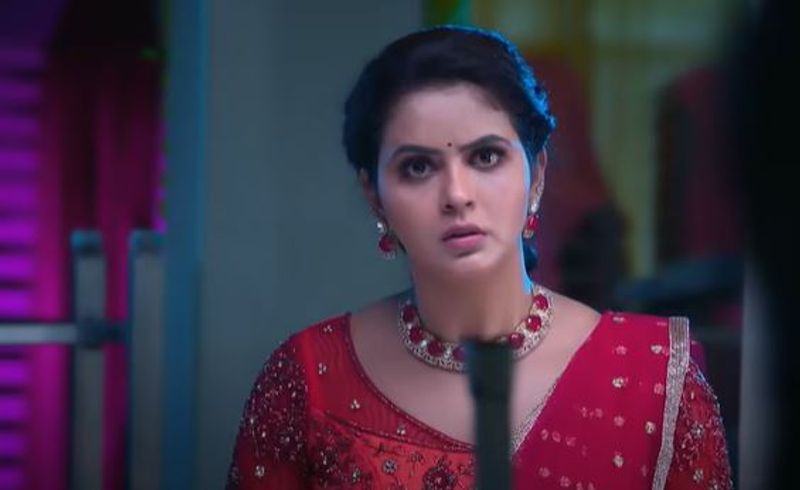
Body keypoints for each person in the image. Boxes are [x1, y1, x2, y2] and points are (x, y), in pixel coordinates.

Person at [226, 26, 732, 489]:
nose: (457, 194)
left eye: (486, 157)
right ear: (374, 197)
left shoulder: (654, 379)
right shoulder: (308, 380)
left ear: (536, 176)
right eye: (418, 167)